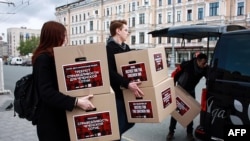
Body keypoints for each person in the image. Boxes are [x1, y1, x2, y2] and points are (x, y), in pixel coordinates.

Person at [32, 21, 95, 141]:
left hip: (58, 117)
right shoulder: (43, 59)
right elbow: (46, 92)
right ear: (55, 36)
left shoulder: (54, 57)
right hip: (50, 122)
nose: (66, 39)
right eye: (64, 36)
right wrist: (76, 102)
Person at [106, 19, 144, 140]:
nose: (128, 32)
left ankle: (113, 137)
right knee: (120, 123)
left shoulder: (126, 47)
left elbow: (130, 66)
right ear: (118, 31)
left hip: (127, 93)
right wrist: (127, 83)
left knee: (131, 121)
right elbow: (109, 72)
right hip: (116, 94)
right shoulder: (109, 48)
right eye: (126, 30)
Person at [167, 53, 208, 141]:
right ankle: (171, 132)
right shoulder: (187, 65)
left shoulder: (204, 69)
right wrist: (173, 88)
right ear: (198, 61)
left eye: (205, 63)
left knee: (190, 113)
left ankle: (189, 133)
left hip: (191, 91)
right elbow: (174, 74)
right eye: (203, 63)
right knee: (176, 112)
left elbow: (209, 78)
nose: (204, 65)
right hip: (180, 89)